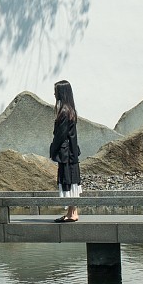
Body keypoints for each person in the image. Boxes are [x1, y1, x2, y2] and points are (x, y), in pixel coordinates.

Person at [49, 79, 82, 223]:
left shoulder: (63, 111)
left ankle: (71, 213)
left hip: (66, 152)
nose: (54, 93)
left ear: (61, 92)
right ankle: (72, 212)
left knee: (67, 179)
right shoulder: (71, 110)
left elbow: (60, 135)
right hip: (72, 152)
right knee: (72, 179)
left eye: (56, 91)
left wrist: (52, 149)